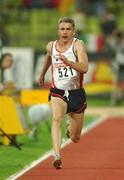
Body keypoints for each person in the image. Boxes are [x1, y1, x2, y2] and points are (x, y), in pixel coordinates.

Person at [38, 17, 88, 169]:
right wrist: (42, 74)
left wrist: (69, 62)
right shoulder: (51, 46)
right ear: (58, 31)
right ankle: (57, 155)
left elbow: (84, 68)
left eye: (68, 29)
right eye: (62, 29)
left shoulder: (78, 45)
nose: (65, 32)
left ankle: (70, 128)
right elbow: (48, 57)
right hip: (58, 91)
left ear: (73, 31)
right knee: (56, 118)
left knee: (75, 138)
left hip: (76, 93)